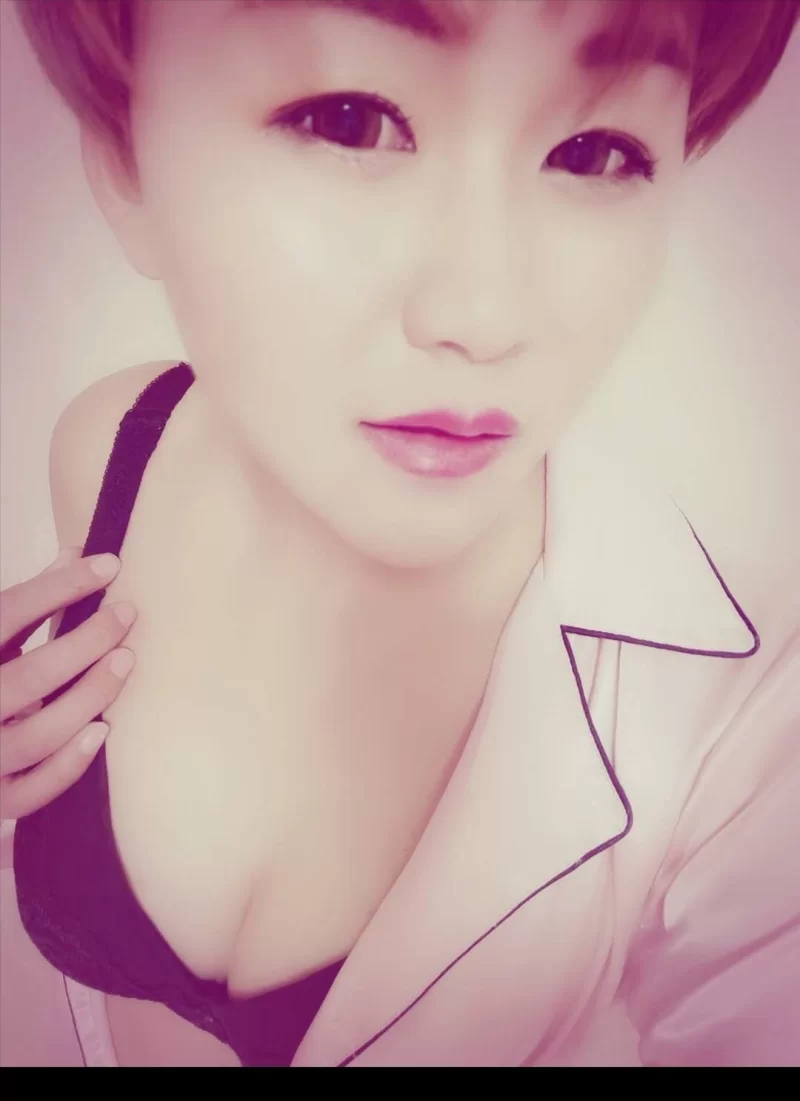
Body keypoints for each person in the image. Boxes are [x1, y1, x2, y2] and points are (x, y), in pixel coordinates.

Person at [2, 0, 798, 1068]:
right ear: (125, 159)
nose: (484, 317)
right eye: (350, 120)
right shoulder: (110, 444)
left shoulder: (747, 730)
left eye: (596, 152)